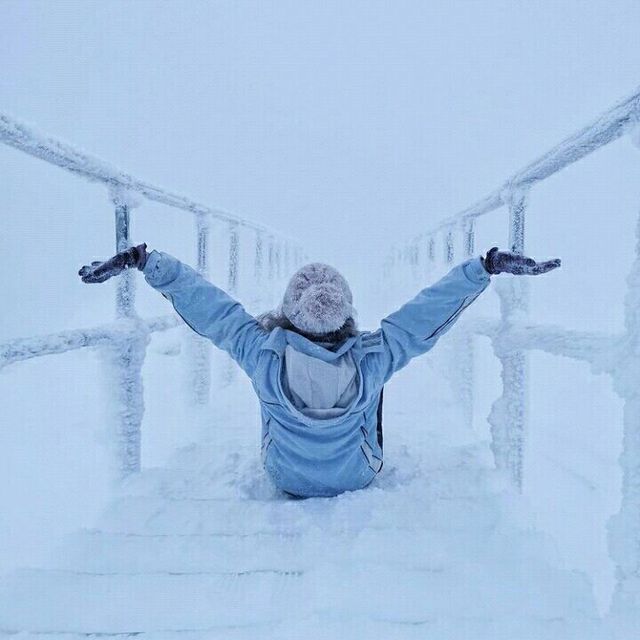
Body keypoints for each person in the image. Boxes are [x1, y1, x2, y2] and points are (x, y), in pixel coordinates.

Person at [79, 244, 560, 498]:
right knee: (383, 376)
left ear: (290, 309)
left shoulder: (261, 352)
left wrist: (148, 262)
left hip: (284, 476)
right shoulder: (374, 355)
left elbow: (211, 309)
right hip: (357, 475)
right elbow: (423, 316)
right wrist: (483, 267)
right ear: (347, 312)